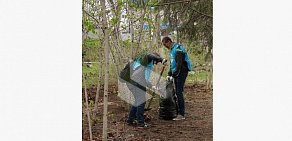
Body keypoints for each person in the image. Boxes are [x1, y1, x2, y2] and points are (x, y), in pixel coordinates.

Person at [120, 52, 167, 128]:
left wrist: (152, 86)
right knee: (141, 101)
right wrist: (162, 60)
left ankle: (130, 120)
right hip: (135, 82)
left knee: (138, 101)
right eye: (156, 61)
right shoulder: (146, 58)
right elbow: (149, 54)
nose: (156, 63)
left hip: (132, 82)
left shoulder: (142, 63)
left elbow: (144, 79)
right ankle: (140, 123)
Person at [162, 37, 192, 120]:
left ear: (169, 42)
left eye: (165, 44)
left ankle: (181, 114)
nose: (165, 46)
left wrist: (174, 75)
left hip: (182, 72)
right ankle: (179, 111)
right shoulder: (173, 49)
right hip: (177, 72)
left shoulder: (178, 49)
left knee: (179, 92)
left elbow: (179, 64)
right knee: (177, 92)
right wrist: (169, 73)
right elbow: (173, 64)